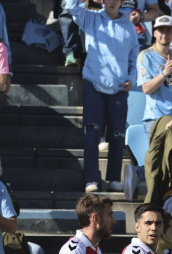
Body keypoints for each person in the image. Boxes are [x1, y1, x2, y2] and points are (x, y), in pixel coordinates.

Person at [64, 0, 137, 193]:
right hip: (93, 86)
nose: (112, 2)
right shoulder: (91, 18)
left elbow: (133, 57)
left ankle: (113, 177)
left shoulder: (130, 27)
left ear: (122, 1)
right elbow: (70, 6)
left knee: (117, 135)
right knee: (92, 135)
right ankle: (91, 179)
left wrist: (132, 79)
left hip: (119, 89)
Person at [138, 15, 172, 136]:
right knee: (158, 155)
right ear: (154, 33)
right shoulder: (146, 55)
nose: (164, 34)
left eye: (168, 30)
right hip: (156, 119)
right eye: (161, 30)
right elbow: (146, 89)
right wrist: (165, 73)